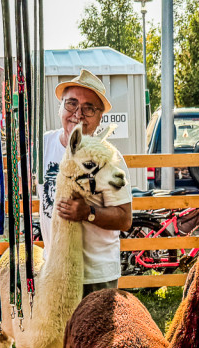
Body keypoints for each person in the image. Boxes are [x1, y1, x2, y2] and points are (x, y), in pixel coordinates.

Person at [38, 69, 132, 295]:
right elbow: (10, 178)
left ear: (100, 117)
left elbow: (125, 218)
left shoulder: (109, 160)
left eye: (89, 108)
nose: (78, 114)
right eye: (71, 104)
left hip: (95, 277)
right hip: (55, 268)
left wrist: (88, 212)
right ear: (60, 108)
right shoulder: (42, 146)